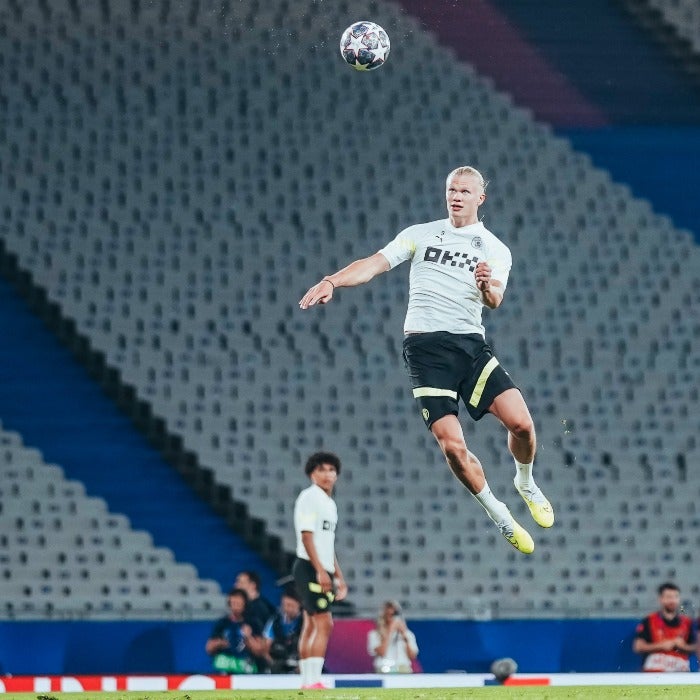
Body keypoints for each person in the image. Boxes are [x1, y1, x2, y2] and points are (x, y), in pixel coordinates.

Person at [299, 166, 553, 553]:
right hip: (425, 349)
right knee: (452, 445)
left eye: (465, 191)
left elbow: (496, 301)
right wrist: (332, 280)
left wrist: (485, 286)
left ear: (480, 198)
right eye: (452, 189)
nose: (457, 196)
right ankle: (500, 514)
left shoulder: (494, 249)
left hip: (469, 345)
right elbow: (373, 263)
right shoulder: (420, 234)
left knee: (522, 425)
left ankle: (525, 481)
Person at [292, 451, 348, 689]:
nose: (327, 474)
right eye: (321, 470)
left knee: (311, 623)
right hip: (308, 566)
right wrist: (320, 571)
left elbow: (328, 544)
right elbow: (307, 537)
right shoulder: (309, 497)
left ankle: (306, 681)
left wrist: (339, 575)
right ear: (311, 474)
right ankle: (313, 680)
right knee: (324, 623)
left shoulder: (330, 504)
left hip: (319, 567)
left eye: (331, 470)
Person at [633, 582, 697, 672]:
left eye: (675, 597)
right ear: (660, 599)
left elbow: (696, 647)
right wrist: (661, 645)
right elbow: (638, 646)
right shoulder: (649, 620)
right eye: (668, 597)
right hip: (654, 671)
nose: (672, 600)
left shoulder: (687, 622)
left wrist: (682, 646)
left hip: (680, 671)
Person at [205, 587, 263, 674]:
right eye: (233, 603)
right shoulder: (222, 623)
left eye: (238, 604)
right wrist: (220, 643)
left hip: (245, 665)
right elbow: (208, 648)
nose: (235, 607)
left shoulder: (253, 623)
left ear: (245, 604)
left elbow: (259, 651)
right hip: (226, 666)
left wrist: (248, 637)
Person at [367, 600, 419, 673]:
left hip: (403, 668)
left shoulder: (408, 634)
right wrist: (390, 631)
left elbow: (412, 656)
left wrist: (404, 635)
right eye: (388, 615)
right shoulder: (374, 634)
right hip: (383, 668)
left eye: (394, 615)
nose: (392, 618)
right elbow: (381, 652)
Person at [261, 588, 304, 674]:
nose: (287, 609)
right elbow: (265, 648)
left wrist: (302, 665)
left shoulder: (306, 622)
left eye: (290, 605)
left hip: (301, 665)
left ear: (299, 605)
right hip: (278, 664)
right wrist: (274, 664)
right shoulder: (274, 622)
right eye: (284, 605)